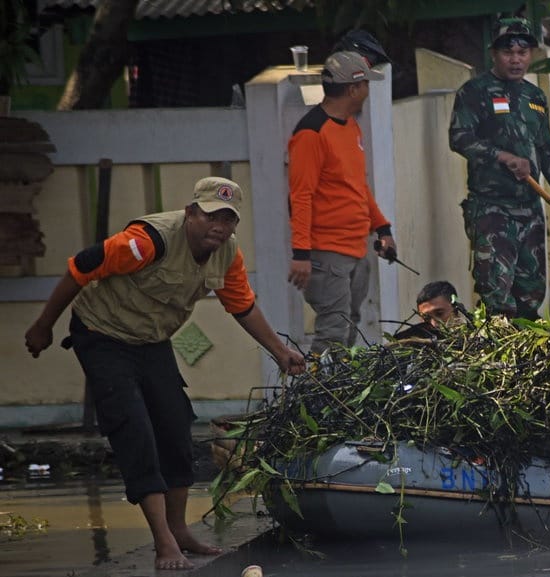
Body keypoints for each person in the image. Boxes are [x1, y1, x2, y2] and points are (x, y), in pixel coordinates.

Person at [23, 177, 306, 571]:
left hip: (151, 339)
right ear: (190, 213)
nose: (218, 227)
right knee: (134, 429)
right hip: (102, 334)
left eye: (227, 220)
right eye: (210, 216)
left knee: (175, 425)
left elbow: (241, 305)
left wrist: (280, 351)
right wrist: (43, 326)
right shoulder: (147, 241)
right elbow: (79, 268)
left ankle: (179, 529)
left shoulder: (227, 254)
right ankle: (163, 541)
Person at [449, 17, 550, 320]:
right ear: (494, 54)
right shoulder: (474, 92)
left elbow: (547, 149)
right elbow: (459, 138)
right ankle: (497, 350)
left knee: (531, 296)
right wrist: (502, 156)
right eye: (508, 52)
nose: (516, 59)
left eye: (522, 52)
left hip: (530, 209)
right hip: (492, 209)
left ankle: (526, 350)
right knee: (497, 297)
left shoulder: (534, 97)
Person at [287, 51, 397, 352]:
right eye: (366, 84)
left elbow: (356, 185)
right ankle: (315, 384)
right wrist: (301, 253)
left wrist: (382, 229)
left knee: (349, 326)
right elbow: (300, 196)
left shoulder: (349, 126)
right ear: (353, 89)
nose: (368, 90)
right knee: (333, 333)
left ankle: (338, 382)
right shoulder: (311, 133)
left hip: (355, 248)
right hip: (327, 254)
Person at [392, 281, 468, 339]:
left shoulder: (473, 340)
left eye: (439, 314)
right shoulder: (412, 346)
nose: (434, 324)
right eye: (426, 318)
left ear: (456, 311)